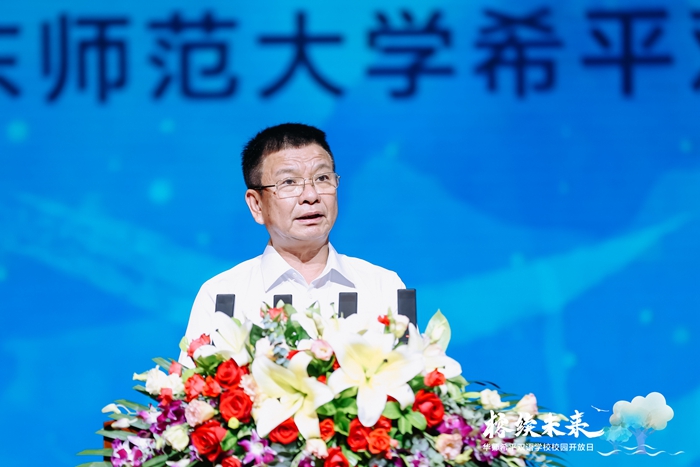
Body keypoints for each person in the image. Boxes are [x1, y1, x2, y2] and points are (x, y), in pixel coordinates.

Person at [180, 123, 404, 363]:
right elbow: (196, 385)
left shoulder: (382, 287)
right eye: (288, 182)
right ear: (257, 205)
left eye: (322, 178)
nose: (311, 196)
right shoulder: (223, 296)